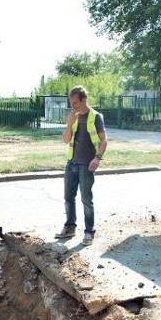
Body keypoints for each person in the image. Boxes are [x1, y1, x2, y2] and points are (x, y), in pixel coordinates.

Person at [55, 86, 108, 246]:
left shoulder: (96, 117)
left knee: (86, 199)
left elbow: (104, 140)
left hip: (86, 165)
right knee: (68, 197)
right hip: (71, 164)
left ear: (84, 100)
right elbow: (65, 140)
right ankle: (70, 227)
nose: (73, 106)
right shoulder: (74, 117)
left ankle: (89, 232)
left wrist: (97, 158)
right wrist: (69, 124)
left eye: (75, 103)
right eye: (71, 103)